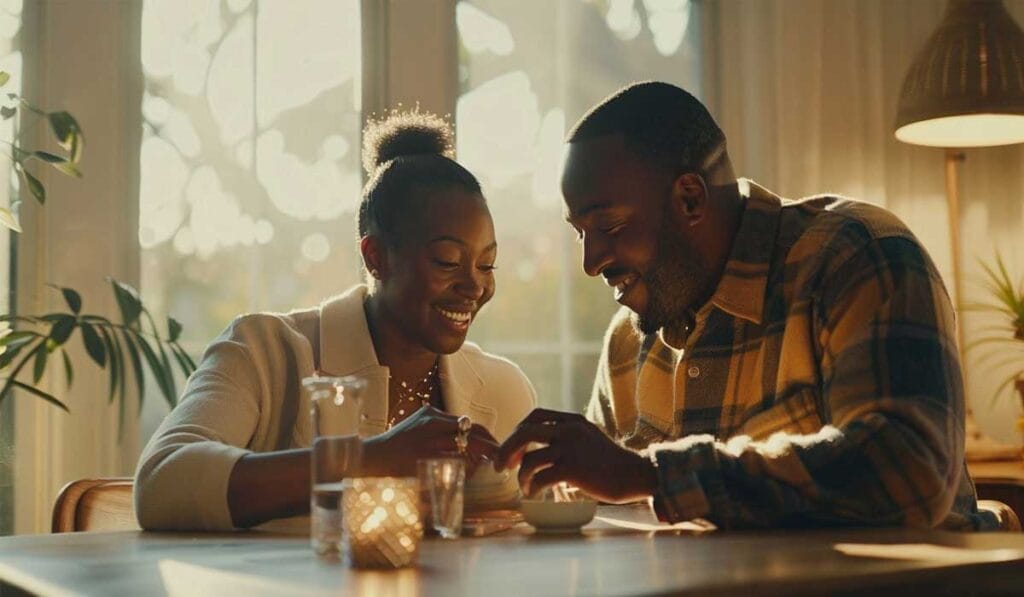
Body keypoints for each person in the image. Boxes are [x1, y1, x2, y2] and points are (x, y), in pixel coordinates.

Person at [496, 81, 1001, 531]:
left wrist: (648, 474)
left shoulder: (856, 256)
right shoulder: (631, 341)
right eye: (580, 233)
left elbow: (908, 471)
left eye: (607, 227)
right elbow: (607, 508)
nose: (591, 261)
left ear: (690, 199)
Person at [136, 110, 536, 531]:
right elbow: (163, 483)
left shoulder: (503, 388)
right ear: (375, 257)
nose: (474, 287)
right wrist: (370, 458)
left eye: (487, 265)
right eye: (447, 262)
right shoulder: (263, 351)